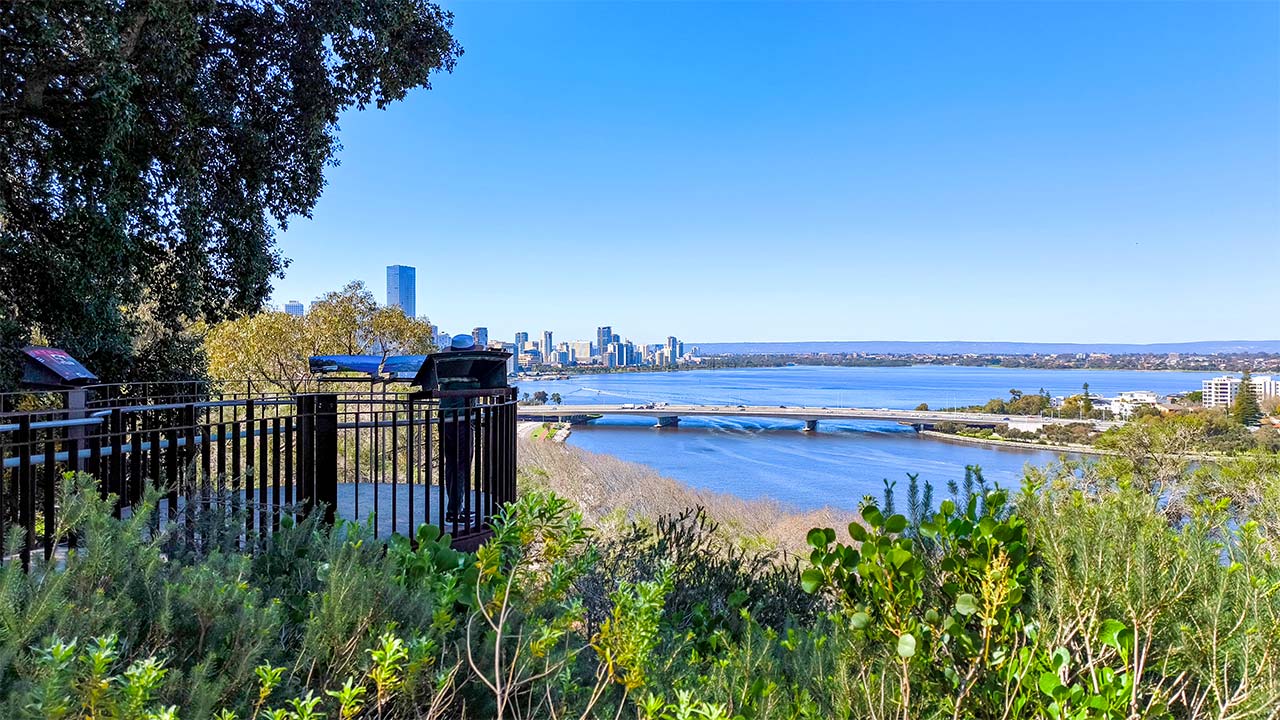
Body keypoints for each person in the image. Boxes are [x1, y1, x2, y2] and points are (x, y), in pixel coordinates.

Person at [440, 334, 476, 524]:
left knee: (452, 464)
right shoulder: (470, 367)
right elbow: (482, 385)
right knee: (461, 465)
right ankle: (455, 512)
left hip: (446, 419)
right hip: (462, 419)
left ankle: (455, 508)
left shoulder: (446, 364)